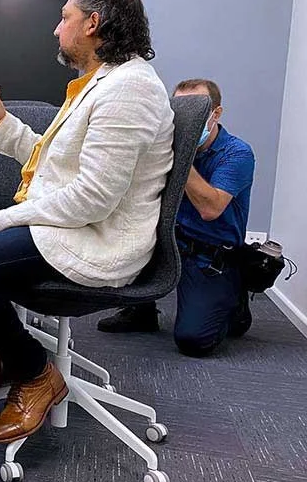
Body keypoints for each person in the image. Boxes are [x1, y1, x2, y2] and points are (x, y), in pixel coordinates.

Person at [0, 0, 174, 444]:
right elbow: (55, 162)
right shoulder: (99, 83)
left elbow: (93, 198)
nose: (56, 29)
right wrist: (2, 126)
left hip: (97, 237)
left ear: (93, 23)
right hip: (71, 224)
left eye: (65, 18)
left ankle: (34, 373)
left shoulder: (130, 90)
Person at [97, 79, 255, 356]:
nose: (188, 119)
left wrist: (182, 157)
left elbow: (210, 208)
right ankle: (141, 311)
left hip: (210, 254)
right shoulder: (165, 145)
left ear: (216, 114)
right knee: (123, 234)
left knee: (193, 340)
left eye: (197, 110)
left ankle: (234, 304)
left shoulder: (236, 153)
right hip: (169, 238)